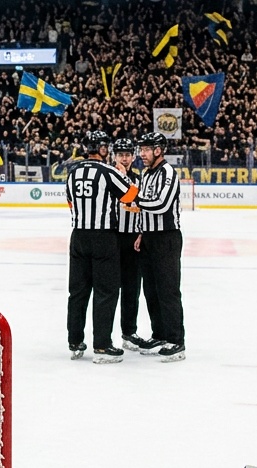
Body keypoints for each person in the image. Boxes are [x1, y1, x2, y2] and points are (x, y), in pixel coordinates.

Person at [63, 130, 138, 362]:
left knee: (77, 291)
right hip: (104, 237)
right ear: (102, 149)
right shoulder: (108, 172)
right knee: (106, 291)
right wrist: (124, 176)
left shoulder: (72, 173)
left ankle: (75, 341)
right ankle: (103, 345)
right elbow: (130, 196)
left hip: (78, 236)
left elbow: (69, 202)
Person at [126, 132, 185, 361]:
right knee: (151, 290)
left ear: (159, 150)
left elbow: (161, 204)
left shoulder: (168, 172)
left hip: (167, 238)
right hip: (149, 237)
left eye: (146, 149)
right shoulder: (147, 174)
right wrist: (141, 232)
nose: (141, 154)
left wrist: (135, 200)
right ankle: (160, 334)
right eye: (141, 149)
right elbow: (145, 207)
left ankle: (177, 341)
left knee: (168, 290)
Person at [112, 137, 159, 353]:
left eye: (127, 154)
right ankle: (102, 335)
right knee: (109, 290)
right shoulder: (108, 177)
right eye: (120, 154)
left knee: (132, 289)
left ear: (132, 156)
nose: (124, 157)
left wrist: (141, 232)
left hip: (133, 240)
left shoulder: (140, 179)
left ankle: (128, 333)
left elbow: (145, 208)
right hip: (111, 238)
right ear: (114, 156)